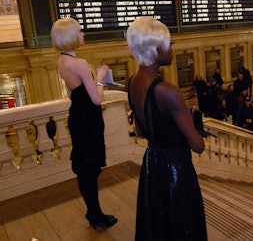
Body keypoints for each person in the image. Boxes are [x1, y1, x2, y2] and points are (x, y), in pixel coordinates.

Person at [126, 17, 207, 240]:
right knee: (181, 227)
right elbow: (198, 146)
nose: (172, 48)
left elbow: (142, 131)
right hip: (176, 171)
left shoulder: (132, 82)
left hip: (152, 163)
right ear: (156, 49)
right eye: (169, 43)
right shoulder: (168, 92)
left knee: (159, 226)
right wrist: (191, 125)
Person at [50, 18, 118, 230]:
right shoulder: (79, 64)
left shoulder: (61, 62)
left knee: (84, 168)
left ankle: (93, 212)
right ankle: (96, 216)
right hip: (89, 120)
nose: (83, 34)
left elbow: (72, 94)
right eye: (80, 31)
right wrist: (99, 77)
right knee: (89, 168)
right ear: (70, 35)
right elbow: (97, 100)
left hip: (77, 118)